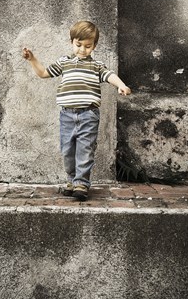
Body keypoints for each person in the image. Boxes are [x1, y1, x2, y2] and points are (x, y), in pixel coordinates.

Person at [22, 21, 131, 201]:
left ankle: (82, 183)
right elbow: (43, 73)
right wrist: (32, 59)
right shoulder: (64, 62)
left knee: (85, 150)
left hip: (88, 115)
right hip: (67, 115)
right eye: (78, 45)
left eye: (88, 46)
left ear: (94, 46)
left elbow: (110, 75)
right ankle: (72, 180)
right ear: (72, 42)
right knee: (67, 150)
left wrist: (121, 85)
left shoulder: (96, 66)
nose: (82, 50)